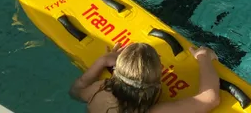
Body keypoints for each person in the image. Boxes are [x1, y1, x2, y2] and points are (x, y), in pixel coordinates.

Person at [69, 43, 221, 113]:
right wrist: (203, 57)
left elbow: (75, 91)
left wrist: (102, 61)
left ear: (116, 69)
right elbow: (210, 99)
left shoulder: (100, 90)